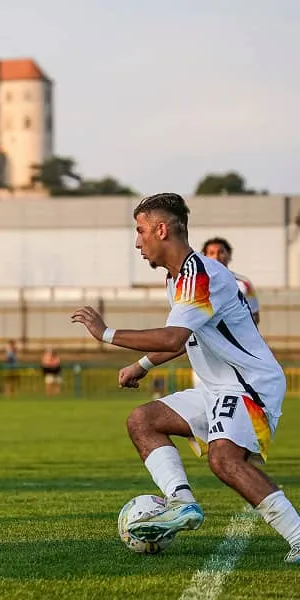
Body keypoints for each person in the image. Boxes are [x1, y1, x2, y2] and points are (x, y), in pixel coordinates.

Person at [71, 192, 300, 565]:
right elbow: (188, 336)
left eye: (140, 230)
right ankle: (182, 502)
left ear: (162, 229)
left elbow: (173, 337)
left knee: (225, 461)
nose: (137, 241)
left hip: (248, 385)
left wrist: (107, 333)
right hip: (216, 387)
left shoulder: (200, 275)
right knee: (142, 420)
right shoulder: (177, 280)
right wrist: (143, 366)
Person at [193, 237, 260, 389]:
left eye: (221, 252)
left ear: (229, 255)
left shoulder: (243, 284)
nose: (216, 256)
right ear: (204, 256)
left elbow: (254, 316)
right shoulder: (197, 284)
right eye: (211, 252)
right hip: (207, 351)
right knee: (204, 396)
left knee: (239, 395)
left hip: (237, 350)